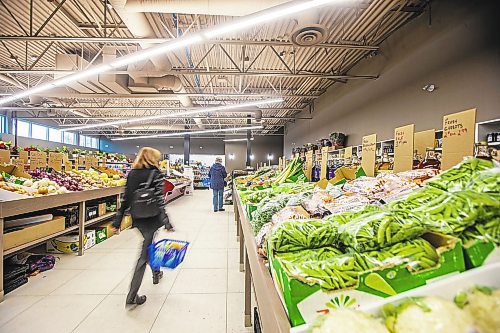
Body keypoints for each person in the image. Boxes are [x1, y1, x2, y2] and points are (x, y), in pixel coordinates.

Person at [112, 147, 174, 307]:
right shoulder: (155, 173)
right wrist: (166, 221)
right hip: (152, 218)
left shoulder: (132, 174)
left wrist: (117, 221)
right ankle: (132, 295)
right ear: (152, 158)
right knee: (143, 255)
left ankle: (156, 273)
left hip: (138, 217)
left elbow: (125, 199)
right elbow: (160, 200)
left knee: (150, 245)